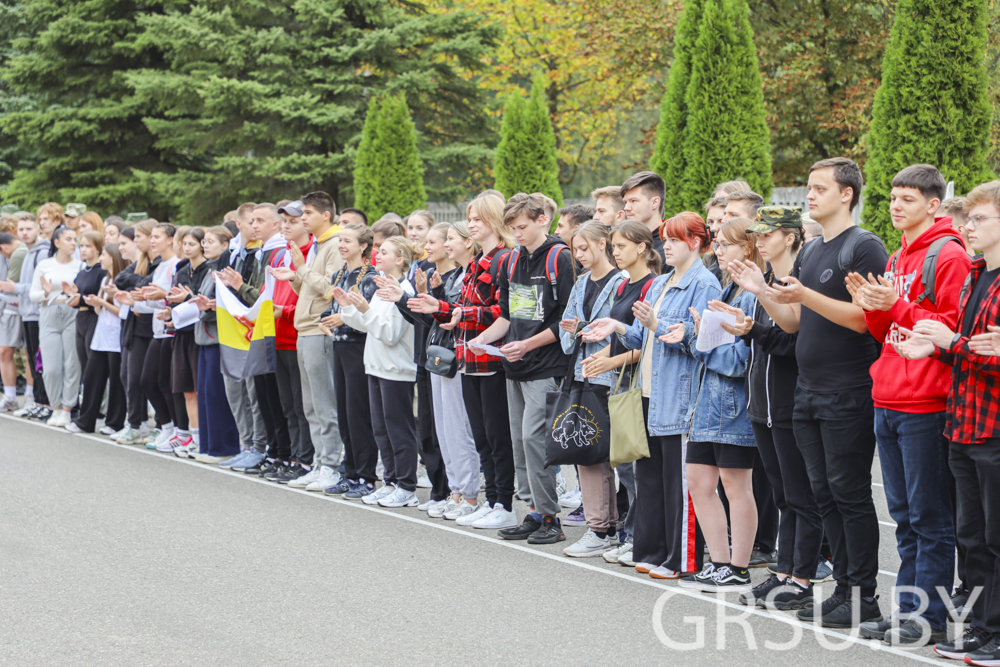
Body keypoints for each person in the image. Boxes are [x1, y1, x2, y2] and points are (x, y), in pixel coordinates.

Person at [729, 157, 889, 627]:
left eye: (820, 188)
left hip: (848, 390)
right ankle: (842, 588)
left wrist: (805, 296)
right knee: (824, 494)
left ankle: (864, 594)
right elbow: (795, 323)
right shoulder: (813, 251)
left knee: (850, 493)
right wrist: (762, 291)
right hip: (809, 391)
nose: (810, 195)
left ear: (847, 194)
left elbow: (865, 320)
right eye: (810, 187)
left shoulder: (863, 248)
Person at [841, 164, 970, 646]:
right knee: (902, 513)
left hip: (926, 400)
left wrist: (893, 305)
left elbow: (950, 330)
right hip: (889, 394)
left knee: (929, 516)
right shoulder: (897, 255)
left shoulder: (948, 254)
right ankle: (909, 611)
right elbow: (887, 335)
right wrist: (875, 308)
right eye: (893, 197)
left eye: (908, 199)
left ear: (933, 205)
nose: (896, 205)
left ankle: (930, 616)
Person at [896, 180, 1000, 664]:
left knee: (995, 538)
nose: (968, 228)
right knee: (973, 538)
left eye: (979, 219)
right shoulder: (977, 272)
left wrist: (950, 342)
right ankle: (980, 626)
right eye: (968, 219)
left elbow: (987, 351)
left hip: (993, 428)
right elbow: (973, 348)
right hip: (963, 423)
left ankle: (995, 630)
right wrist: (936, 345)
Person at [583, 211, 717, 579]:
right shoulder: (659, 284)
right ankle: (653, 549)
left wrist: (660, 326)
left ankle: (682, 560)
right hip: (649, 394)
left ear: (695, 242)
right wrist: (620, 326)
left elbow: (705, 344)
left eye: (675, 240)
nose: (667, 246)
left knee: (679, 483)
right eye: (666, 239)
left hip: (680, 396)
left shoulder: (704, 284)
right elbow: (644, 338)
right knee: (652, 476)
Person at [730, 207, 824, 611]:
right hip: (762, 403)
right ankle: (783, 573)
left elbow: (793, 343)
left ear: (789, 237)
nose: (760, 242)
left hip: (790, 402)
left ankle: (801, 577)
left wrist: (755, 327)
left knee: (802, 496)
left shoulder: (795, 282)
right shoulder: (764, 279)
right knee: (784, 495)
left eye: (767, 235)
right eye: (758, 235)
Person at [471, 193, 576, 541]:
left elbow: (566, 318)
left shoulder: (560, 258)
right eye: (513, 228)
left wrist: (528, 343)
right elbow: (507, 315)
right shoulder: (512, 260)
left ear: (542, 219)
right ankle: (533, 511)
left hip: (544, 365)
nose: (517, 234)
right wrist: (483, 340)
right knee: (519, 441)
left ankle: (550, 518)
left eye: (523, 227)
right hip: (514, 364)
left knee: (535, 439)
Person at [430, 193, 515, 525]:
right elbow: (467, 310)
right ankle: (491, 498)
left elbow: (501, 312)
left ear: (494, 220)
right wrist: (441, 308)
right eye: (470, 218)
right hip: (468, 357)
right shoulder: (477, 262)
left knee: (496, 435)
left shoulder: (503, 259)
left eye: (477, 219)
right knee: (481, 435)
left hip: (491, 360)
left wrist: (465, 313)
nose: (472, 225)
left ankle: (503, 504)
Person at [583, 220, 660, 566]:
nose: (615, 251)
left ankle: (642, 536)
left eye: (622, 246)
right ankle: (632, 534)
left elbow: (646, 344)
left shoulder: (651, 286)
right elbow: (620, 336)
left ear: (642, 248)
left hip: (636, 382)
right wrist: (601, 356)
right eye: (613, 245)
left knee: (635, 462)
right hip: (620, 381)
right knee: (625, 464)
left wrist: (611, 360)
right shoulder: (622, 285)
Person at [268, 191, 345, 491]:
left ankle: (331, 465)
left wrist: (300, 269)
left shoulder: (335, 244)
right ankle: (319, 462)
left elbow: (330, 289)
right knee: (310, 405)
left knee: (325, 404)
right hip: (305, 329)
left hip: (318, 329)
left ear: (325, 215)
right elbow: (310, 289)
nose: (302, 219)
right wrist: (296, 275)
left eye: (308, 213)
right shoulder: (318, 245)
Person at [557, 221, 625, 556]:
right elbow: (565, 333)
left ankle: (615, 526)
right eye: (575, 250)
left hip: (610, 377)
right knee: (586, 453)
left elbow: (626, 331)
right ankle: (599, 527)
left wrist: (583, 329)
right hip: (582, 376)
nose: (580, 255)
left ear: (603, 244)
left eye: (585, 248)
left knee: (615, 457)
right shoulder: (581, 283)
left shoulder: (621, 282)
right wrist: (574, 331)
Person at [337, 236, 420, 508]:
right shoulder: (381, 288)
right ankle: (391, 482)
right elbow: (367, 326)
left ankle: (407, 485)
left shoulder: (403, 290)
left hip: (396, 370)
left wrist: (365, 310)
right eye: (377, 250)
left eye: (384, 252)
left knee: (398, 430)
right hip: (375, 366)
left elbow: (390, 334)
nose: (377, 255)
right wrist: (349, 308)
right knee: (381, 431)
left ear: (400, 259)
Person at [406, 221, 482, 518]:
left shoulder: (470, 275)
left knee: (458, 427)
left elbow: (456, 313)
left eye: (450, 238)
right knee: (444, 427)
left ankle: (469, 494)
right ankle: (456, 490)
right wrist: (431, 296)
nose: (445, 244)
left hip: (459, 356)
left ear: (467, 242)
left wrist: (433, 298)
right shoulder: (455, 277)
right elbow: (438, 316)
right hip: (440, 355)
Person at [383, 221, 456, 509]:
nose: (426, 248)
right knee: (427, 428)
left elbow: (442, 317)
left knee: (446, 430)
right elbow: (421, 319)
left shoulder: (454, 277)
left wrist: (425, 296)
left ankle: (452, 491)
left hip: (446, 359)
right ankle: (439, 491)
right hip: (425, 358)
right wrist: (405, 299)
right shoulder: (424, 272)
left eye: (432, 242)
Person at [218, 204, 293, 476]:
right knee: (264, 398)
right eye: (252, 220)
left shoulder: (279, 252)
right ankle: (272, 452)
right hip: (261, 332)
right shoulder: (262, 252)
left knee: (278, 400)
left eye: (261, 220)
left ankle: (284, 454)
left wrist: (240, 286)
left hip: (276, 334)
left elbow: (266, 298)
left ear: (276, 224)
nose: (255, 225)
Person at [316, 223, 378, 497]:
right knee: (343, 412)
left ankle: (365, 476)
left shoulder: (370, 278)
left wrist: (343, 317)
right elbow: (332, 308)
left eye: (347, 241)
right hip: (339, 346)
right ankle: (349, 471)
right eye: (340, 240)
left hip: (358, 348)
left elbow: (368, 315)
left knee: (358, 413)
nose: (342, 245)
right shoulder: (340, 273)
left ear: (363, 246)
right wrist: (325, 322)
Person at [260, 203, 315, 482]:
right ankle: (293, 457)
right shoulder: (283, 255)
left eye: (292, 221)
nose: (286, 226)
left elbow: (313, 299)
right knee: (287, 405)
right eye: (283, 221)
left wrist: (288, 312)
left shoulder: (311, 254)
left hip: (297, 337)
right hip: (279, 336)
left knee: (302, 405)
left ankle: (305, 460)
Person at [190, 226, 241, 464]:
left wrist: (208, 307)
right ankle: (208, 446)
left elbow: (229, 304)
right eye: (204, 241)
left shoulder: (225, 270)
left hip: (218, 336)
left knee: (217, 393)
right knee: (206, 392)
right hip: (204, 335)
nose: (204, 245)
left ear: (225, 245)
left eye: (210, 241)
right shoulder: (210, 268)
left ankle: (223, 447)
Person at [160, 227, 211, 456]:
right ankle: (194, 436)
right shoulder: (182, 271)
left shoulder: (210, 270)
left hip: (200, 335)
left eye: (192, 244)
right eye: (185, 244)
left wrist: (187, 299)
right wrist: (168, 314)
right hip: (182, 334)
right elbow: (173, 301)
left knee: (201, 389)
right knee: (186, 390)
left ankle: (205, 438)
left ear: (202, 245)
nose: (188, 248)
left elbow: (203, 301)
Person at [131, 224, 181, 451]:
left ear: (170, 240)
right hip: (157, 329)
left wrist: (159, 296)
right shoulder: (160, 265)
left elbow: (174, 297)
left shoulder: (176, 264)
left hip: (170, 330)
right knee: (148, 381)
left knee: (162, 381)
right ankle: (168, 427)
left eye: (157, 237)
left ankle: (178, 430)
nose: (152, 241)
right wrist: (138, 300)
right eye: (151, 236)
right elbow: (156, 301)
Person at [69, 243, 126, 435]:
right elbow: (99, 309)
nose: (100, 258)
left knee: (117, 382)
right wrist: (96, 301)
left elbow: (122, 311)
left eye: (104, 255)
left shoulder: (122, 280)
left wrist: (102, 301)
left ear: (113, 258)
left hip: (116, 336)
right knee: (92, 377)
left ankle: (115, 423)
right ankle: (85, 422)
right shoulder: (106, 279)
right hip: (101, 336)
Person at [30, 226, 82, 427]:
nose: (73, 243)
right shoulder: (44, 265)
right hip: (49, 314)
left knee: (71, 364)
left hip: (72, 313)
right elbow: (33, 295)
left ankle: (67, 409)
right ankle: (56, 407)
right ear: (57, 242)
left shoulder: (79, 266)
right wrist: (45, 293)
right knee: (50, 367)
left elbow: (82, 294)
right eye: (68, 239)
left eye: (75, 239)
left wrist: (74, 293)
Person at [5, 215, 51, 420]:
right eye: (21, 229)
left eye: (29, 229)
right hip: (27, 313)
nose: (24, 233)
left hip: (37, 313)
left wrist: (15, 288)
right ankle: (40, 401)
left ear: (38, 230)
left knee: (40, 360)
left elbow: (39, 286)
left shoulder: (41, 253)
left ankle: (45, 402)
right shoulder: (28, 252)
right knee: (33, 360)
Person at [67, 232, 106, 381]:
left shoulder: (102, 271)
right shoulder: (83, 271)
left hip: (93, 318)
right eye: (81, 246)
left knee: (93, 364)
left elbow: (99, 296)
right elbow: (78, 294)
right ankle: (88, 397)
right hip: (81, 319)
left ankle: (99, 402)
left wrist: (80, 300)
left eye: (88, 246)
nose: (83, 249)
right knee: (83, 363)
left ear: (98, 248)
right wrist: (70, 296)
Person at [0, 230, 26, 412]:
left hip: (23, 308)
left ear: (3, 247)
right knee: (5, 351)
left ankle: (31, 397)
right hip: (10, 308)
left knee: (29, 355)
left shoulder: (19, 253)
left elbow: (9, 286)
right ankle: (10, 397)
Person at [621, 171, 667, 262]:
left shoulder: (670, 247)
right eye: (625, 202)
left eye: (633, 201)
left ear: (654, 202)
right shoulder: (624, 242)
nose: (626, 208)